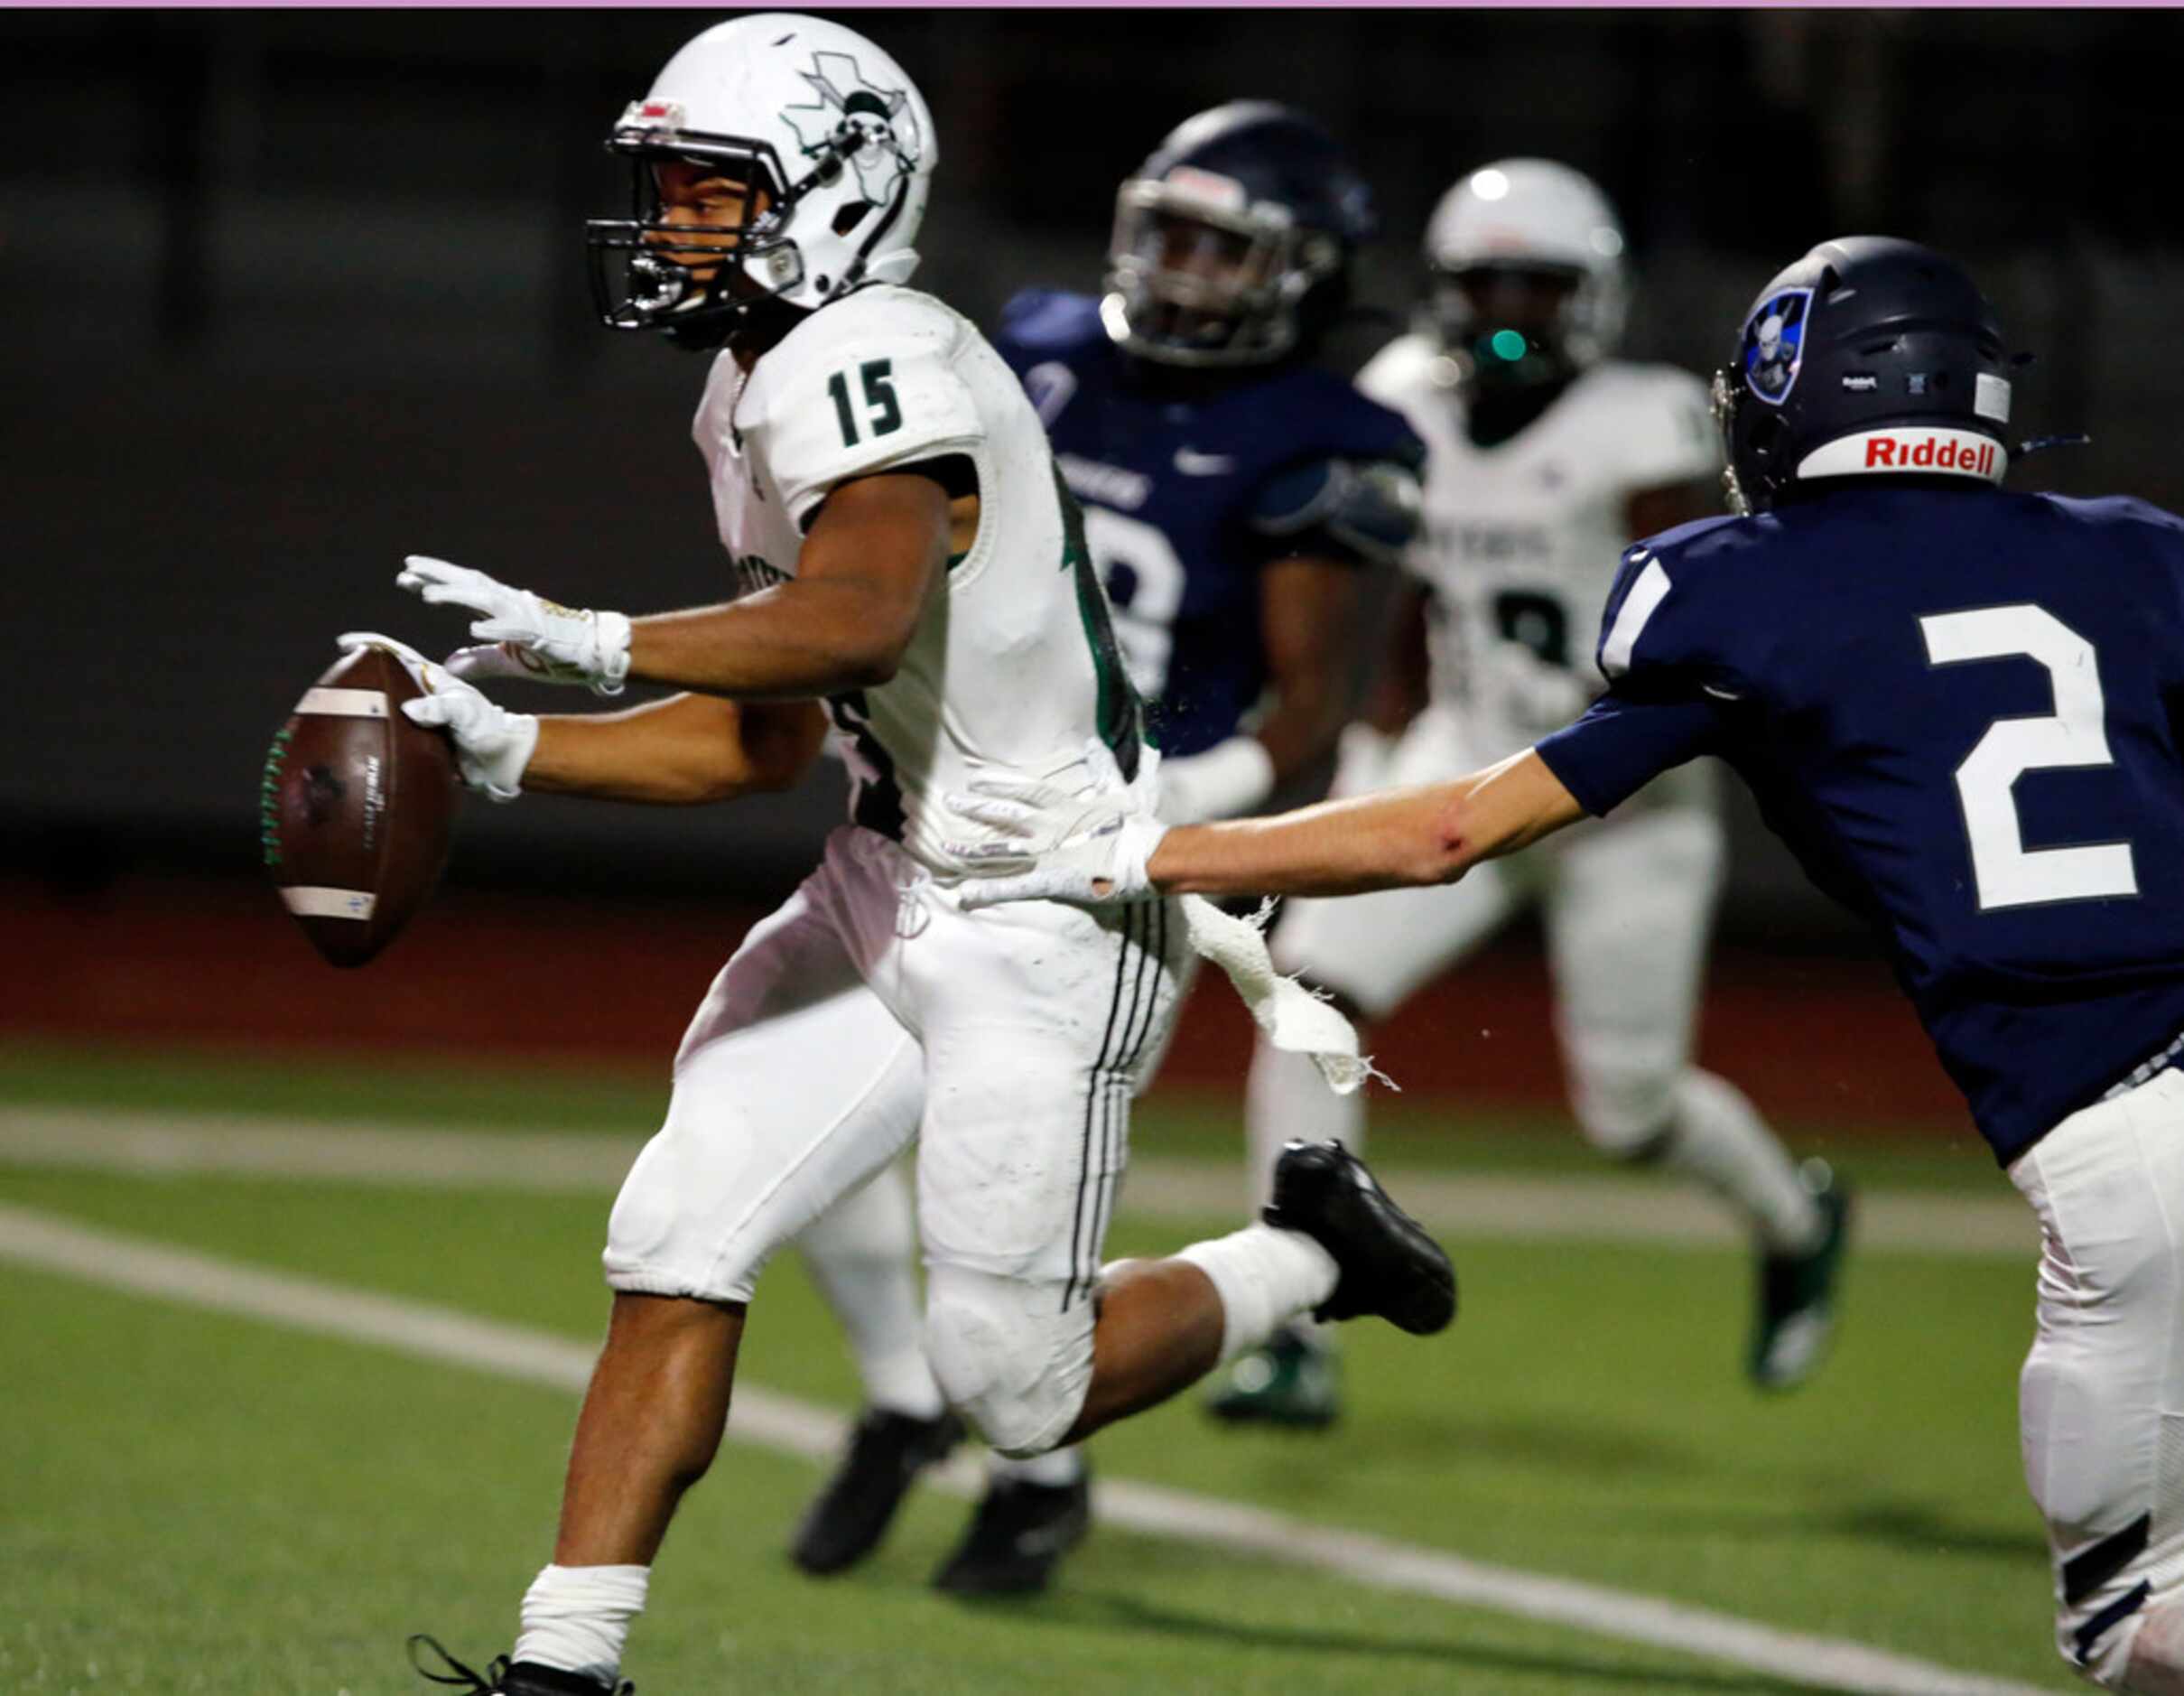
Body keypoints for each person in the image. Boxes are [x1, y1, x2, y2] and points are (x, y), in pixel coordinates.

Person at [360, 17, 1453, 1695]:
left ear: (837, 190)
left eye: (706, 194)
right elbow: (767, 738)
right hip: (885, 872)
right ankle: (565, 1666)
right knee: (676, 1229)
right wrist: (512, 750)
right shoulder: (750, 380)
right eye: (664, 193)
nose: (668, 228)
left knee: (1017, 1384)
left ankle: (1309, 1247)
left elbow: (851, 624)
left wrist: (593, 637)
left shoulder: (882, 357)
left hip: (1055, 906)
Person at [954, 234, 2184, 1696]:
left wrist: (1146, 851)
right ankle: (1310, 1316)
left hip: (2120, 1149)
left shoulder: (1744, 586)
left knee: (2135, 1632)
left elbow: (1452, 828)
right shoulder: (2144, 552)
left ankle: (1767, 1221)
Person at [784, 99, 1427, 1598]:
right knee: (802, 1140)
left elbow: (1310, 717)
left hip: (1120, 858)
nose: (1186, 269)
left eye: (1226, 245)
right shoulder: (1041, 342)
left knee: (993, 1189)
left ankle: (1039, 1473)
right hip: (951, 799)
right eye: (1171, 233)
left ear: (1303, 273)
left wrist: (1159, 813)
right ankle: (901, 1399)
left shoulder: (1326, 441)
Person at [1231, 160, 1845, 1425]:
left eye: (1538, 286)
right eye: (1484, 283)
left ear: (1596, 298)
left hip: (1628, 789)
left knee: (1628, 1109)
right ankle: (1294, 1321)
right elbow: (1406, 600)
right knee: (1307, 989)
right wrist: (1379, 751)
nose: (1509, 310)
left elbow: (1708, 616)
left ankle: (1794, 1217)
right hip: (1472, 762)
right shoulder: (1399, 395)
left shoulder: (1648, 420)